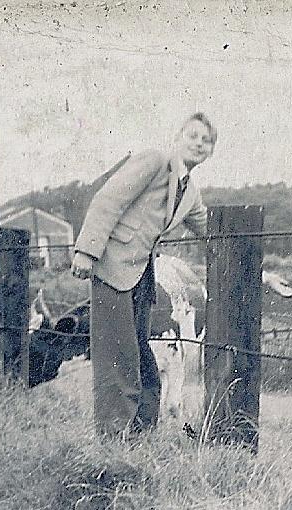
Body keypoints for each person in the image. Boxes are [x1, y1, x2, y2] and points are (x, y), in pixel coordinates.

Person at [70, 113, 216, 438]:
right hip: (112, 267)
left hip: (141, 275)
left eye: (206, 141)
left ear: (210, 152)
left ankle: (141, 432)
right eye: (192, 135)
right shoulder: (155, 160)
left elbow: (213, 232)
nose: (198, 144)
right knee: (117, 357)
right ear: (178, 136)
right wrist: (86, 251)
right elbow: (109, 200)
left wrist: (258, 269)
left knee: (139, 354)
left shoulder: (189, 191)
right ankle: (113, 439)